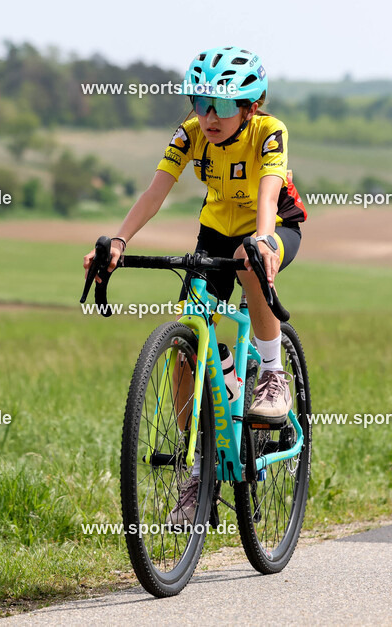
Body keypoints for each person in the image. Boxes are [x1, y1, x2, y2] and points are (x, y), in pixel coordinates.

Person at [83, 46, 307, 524]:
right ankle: (201, 467)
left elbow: (269, 191)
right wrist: (120, 240)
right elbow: (155, 190)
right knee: (190, 338)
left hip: (274, 226)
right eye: (199, 101)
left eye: (222, 105)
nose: (208, 116)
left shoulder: (270, 132)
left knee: (249, 263)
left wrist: (263, 240)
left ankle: (271, 374)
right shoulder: (189, 134)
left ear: (251, 105)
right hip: (215, 230)